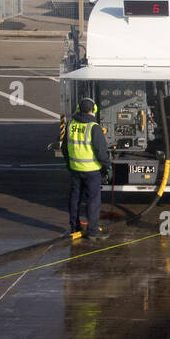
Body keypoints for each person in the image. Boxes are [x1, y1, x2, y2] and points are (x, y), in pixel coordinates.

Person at [66, 98, 111, 239]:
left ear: (79, 108)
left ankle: (74, 227)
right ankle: (93, 231)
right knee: (93, 200)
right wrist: (107, 167)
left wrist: (69, 164)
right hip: (92, 171)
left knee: (75, 199)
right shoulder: (94, 127)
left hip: (75, 169)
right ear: (94, 109)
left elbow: (64, 148)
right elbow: (101, 152)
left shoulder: (70, 124)